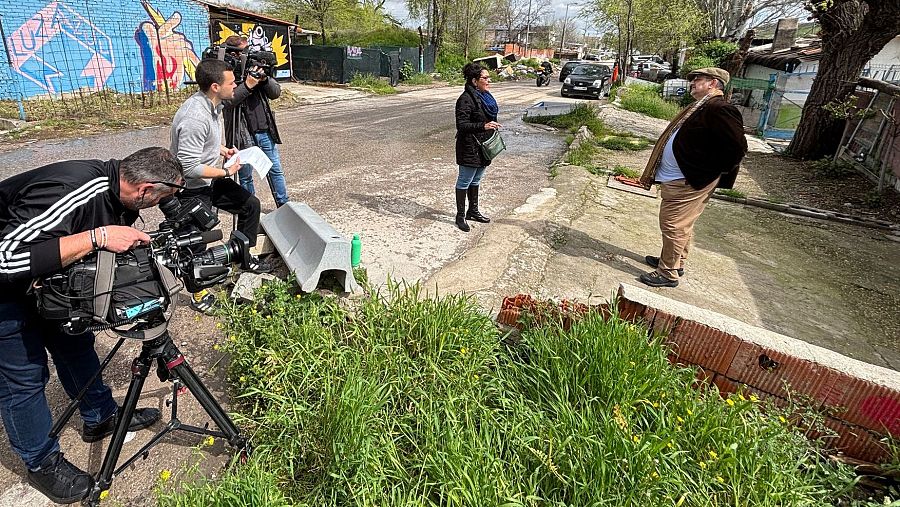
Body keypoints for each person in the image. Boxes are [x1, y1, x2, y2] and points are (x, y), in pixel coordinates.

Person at [0, 147, 183, 503]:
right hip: (5, 288)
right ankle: (41, 463)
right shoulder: (76, 190)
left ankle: (100, 417)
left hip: (48, 281)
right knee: (23, 378)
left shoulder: (121, 198)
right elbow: (6, 256)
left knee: (75, 342)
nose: (160, 206)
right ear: (145, 189)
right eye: (163, 197)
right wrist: (98, 237)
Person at [170, 58, 272, 313]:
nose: (235, 85)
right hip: (190, 189)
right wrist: (225, 170)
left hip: (209, 180)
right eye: (231, 82)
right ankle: (198, 294)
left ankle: (243, 257)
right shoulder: (195, 116)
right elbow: (188, 166)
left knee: (250, 205)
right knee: (195, 242)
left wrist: (222, 150)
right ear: (216, 86)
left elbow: (204, 145)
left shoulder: (213, 106)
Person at [637, 67, 747, 288]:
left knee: (673, 225)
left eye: (699, 79)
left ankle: (667, 273)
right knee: (683, 225)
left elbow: (738, 147)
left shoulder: (720, 108)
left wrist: (706, 172)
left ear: (714, 83)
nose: (693, 82)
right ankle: (675, 262)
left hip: (689, 180)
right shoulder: (702, 106)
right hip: (680, 178)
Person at [221, 35, 289, 208]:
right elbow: (228, 102)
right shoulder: (225, 74)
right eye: (242, 52)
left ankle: (284, 205)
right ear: (232, 54)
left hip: (264, 130)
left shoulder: (254, 66)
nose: (246, 55)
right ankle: (250, 207)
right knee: (244, 175)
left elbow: (275, 93)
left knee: (275, 170)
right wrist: (248, 85)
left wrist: (264, 79)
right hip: (240, 133)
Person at [454, 63, 501, 232]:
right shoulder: (466, 99)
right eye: (485, 78)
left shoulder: (484, 96)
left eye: (489, 77)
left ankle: (472, 211)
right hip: (469, 146)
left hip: (483, 146)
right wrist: (484, 125)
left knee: (476, 180)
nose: (489, 80)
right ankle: (460, 216)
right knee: (464, 180)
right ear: (474, 81)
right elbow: (462, 125)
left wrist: (489, 126)